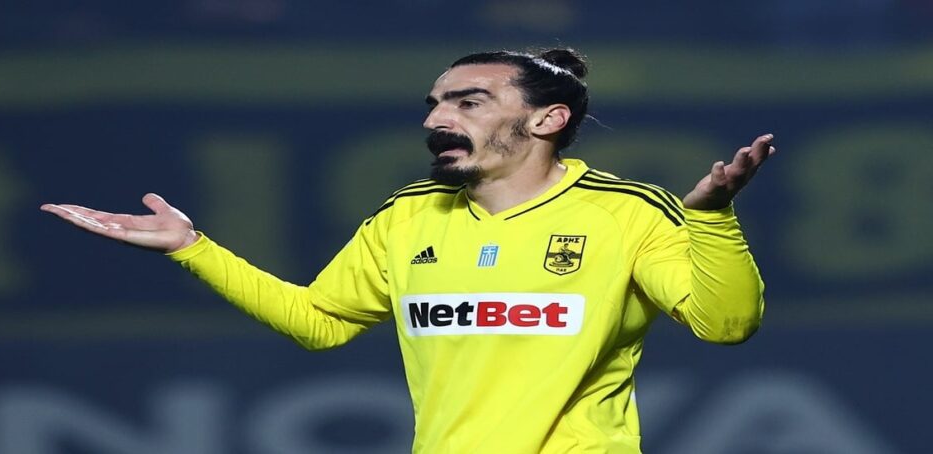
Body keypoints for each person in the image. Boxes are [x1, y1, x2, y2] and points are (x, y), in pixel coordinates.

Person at [41, 48, 772, 454]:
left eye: (467, 102)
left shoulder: (625, 211)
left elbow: (725, 324)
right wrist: (193, 248)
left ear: (547, 119)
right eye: (435, 104)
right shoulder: (409, 215)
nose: (436, 119)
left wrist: (710, 217)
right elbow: (320, 322)